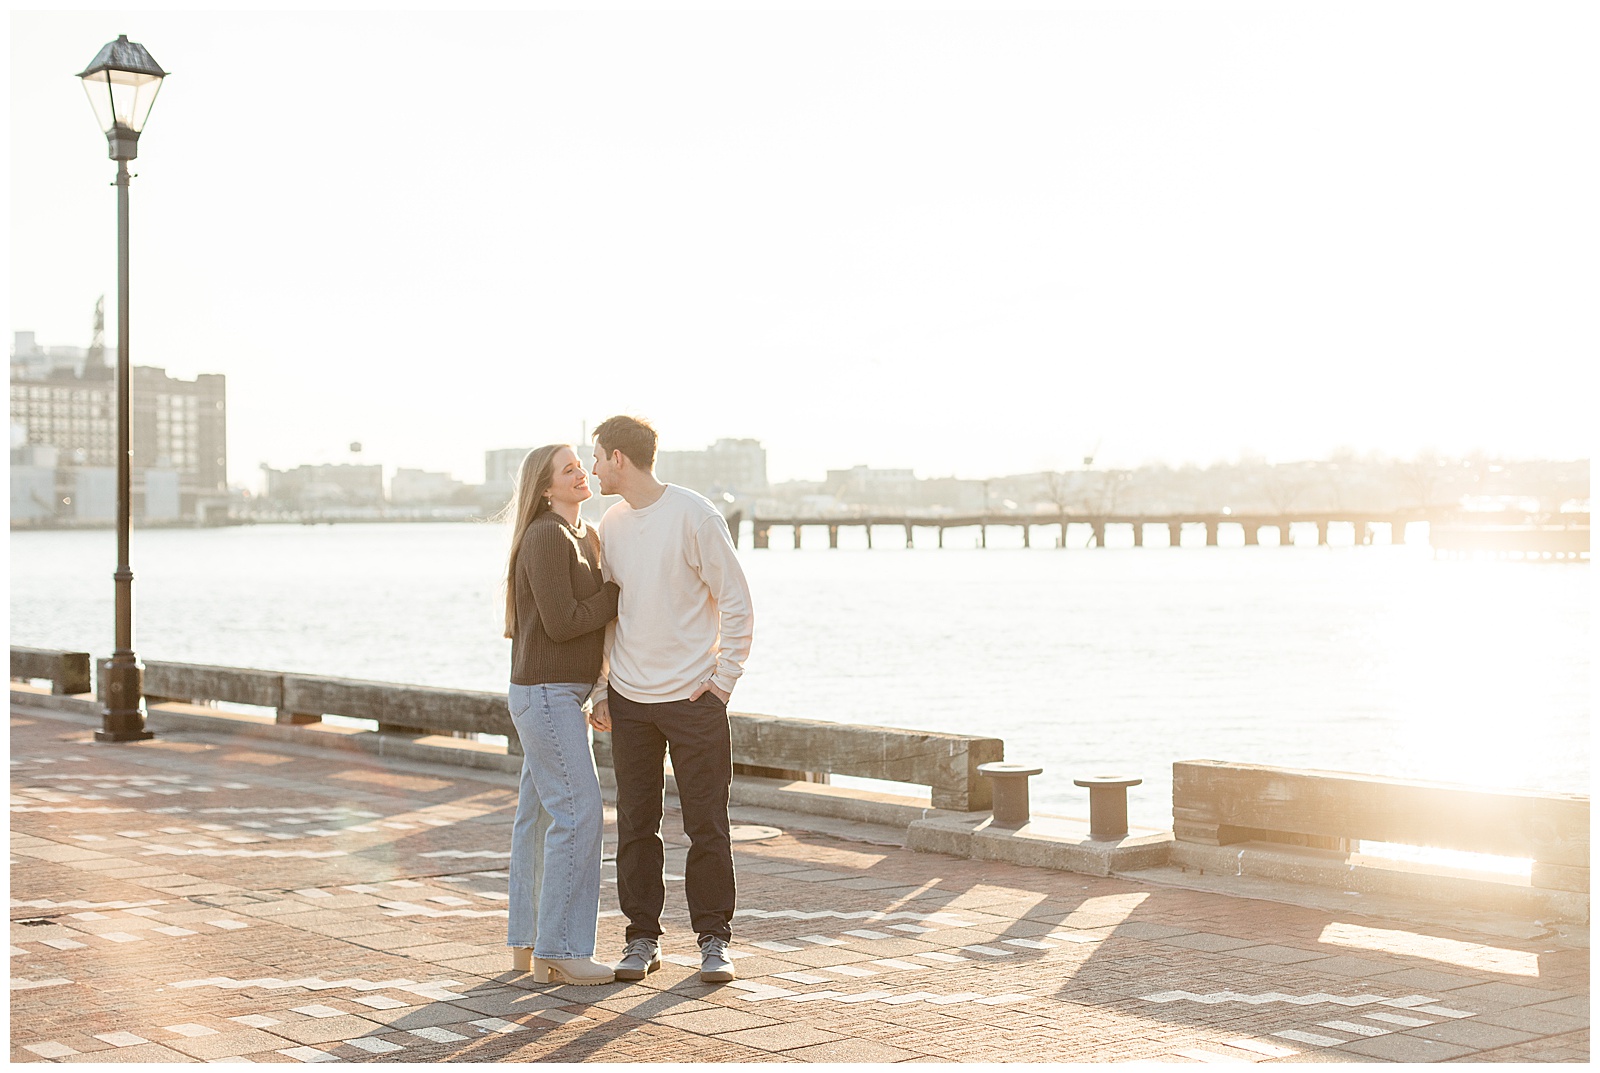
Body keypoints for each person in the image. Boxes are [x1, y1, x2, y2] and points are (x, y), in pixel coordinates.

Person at [588, 415, 754, 984]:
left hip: (693, 698)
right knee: (636, 823)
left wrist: (723, 681)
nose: (592, 469)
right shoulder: (610, 523)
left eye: (596, 457)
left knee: (706, 824)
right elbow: (612, 614)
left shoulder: (695, 515)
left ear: (618, 459)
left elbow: (736, 600)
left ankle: (713, 940)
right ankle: (641, 938)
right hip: (629, 698)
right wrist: (602, 686)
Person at [501, 443, 619, 985]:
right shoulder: (548, 533)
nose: (580, 473)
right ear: (545, 488)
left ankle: (530, 943)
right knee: (579, 815)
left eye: (580, 465)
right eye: (567, 469)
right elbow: (563, 622)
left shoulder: (581, 535)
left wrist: (597, 686)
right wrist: (617, 592)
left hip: (555, 693)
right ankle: (564, 949)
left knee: (542, 818)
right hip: (548, 694)